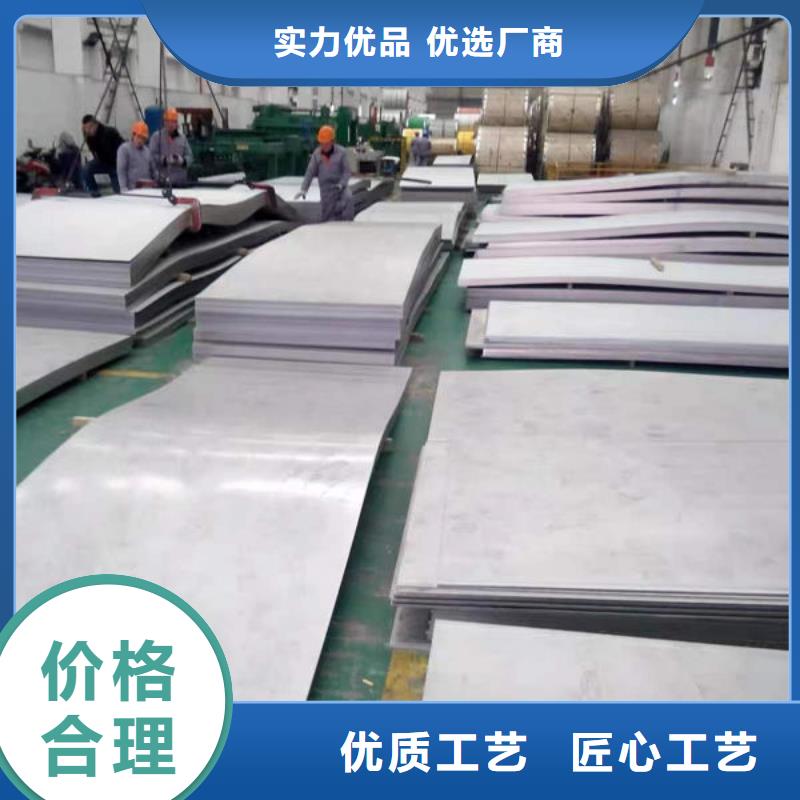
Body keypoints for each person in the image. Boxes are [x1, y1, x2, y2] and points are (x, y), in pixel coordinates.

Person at [295, 125, 354, 222]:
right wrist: (304, 189)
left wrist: (341, 184)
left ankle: (347, 224)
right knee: (327, 215)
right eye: (322, 143)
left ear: (332, 141)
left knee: (348, 198)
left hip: (340, 187)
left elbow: (346, 172)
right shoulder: (317, 154)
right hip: (326, 189)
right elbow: (310, 172)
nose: (324, 146)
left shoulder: (341, 153)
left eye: (326, 143)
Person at [81, 114, 124, 195]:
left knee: (118, 190)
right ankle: (95, 193)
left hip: (115, 164)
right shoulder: (88, 136)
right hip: (102, 161)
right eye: (85, 128)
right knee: (86, 170)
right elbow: (94, 151)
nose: (87, 130)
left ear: (96, 125)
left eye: (90, 127)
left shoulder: (109, 132)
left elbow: (121, 148)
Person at [149, 107, 193, 186]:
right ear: (164, 122)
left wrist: (183, 161)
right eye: (168, 121)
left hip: (180, 181)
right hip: (162, 182)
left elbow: (190, 156)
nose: (170, 124)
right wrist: (165, 160)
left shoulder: (182, 138)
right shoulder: (157, 137)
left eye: (173, 122)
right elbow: (151, 156)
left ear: (176, 123)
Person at [117, 121, 155, 192]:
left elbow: (153, 170)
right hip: (132, 190)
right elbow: (121, 171)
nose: (140, 140)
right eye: (138, 137)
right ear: (133, 135)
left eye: (143, 138)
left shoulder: (148, 151)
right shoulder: (124, 149)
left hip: (148, 189)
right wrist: (123, 187)